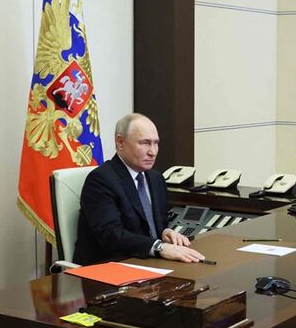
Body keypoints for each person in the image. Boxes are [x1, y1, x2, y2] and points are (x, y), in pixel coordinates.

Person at [74, 113, 205, 264]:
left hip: (148, 262)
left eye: (156, 143)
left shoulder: (156, 179)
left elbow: (152, 225)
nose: (153, 152)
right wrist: (159, 247)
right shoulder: (101, 180)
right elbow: (111, 235)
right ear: (120, 142)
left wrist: (164, 232)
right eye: (145, 143)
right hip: (111, 267)